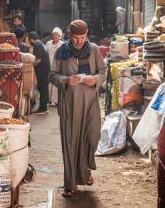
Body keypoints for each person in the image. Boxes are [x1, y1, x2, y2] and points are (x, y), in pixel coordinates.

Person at [49, 20, 107, 197]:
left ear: (87, 34)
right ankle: (70, 184)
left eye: (82, 37)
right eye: (76, 38)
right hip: (70, 103)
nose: (79, 41)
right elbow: (52, 75)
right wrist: (66, 80)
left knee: (93, 135)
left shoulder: (95, 49)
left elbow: (103, 72)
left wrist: (95, 79)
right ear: (69, 35)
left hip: (90, 102)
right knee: (71, 142)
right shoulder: (62, 51)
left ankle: (85, 169)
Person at [29, 31, 50, 114]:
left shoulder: (37, 45)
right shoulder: (41, 43)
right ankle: (44, 106)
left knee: (43, 88)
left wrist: (31, 66)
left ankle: (43, 108)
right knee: (43, 88)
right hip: (44, 69)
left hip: (42, 70)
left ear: (31, 39)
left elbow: (38, 60)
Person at [46, 27, 64, 106]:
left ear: (59, 36)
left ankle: (56, 100)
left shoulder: (62, 44)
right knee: (50, 83)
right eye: (53, 34)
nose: (54, 36)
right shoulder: (48, 43)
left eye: (56, 34)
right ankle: (49, 99)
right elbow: (46, 53)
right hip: (49, 65)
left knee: (56, 83)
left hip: (58, 66)